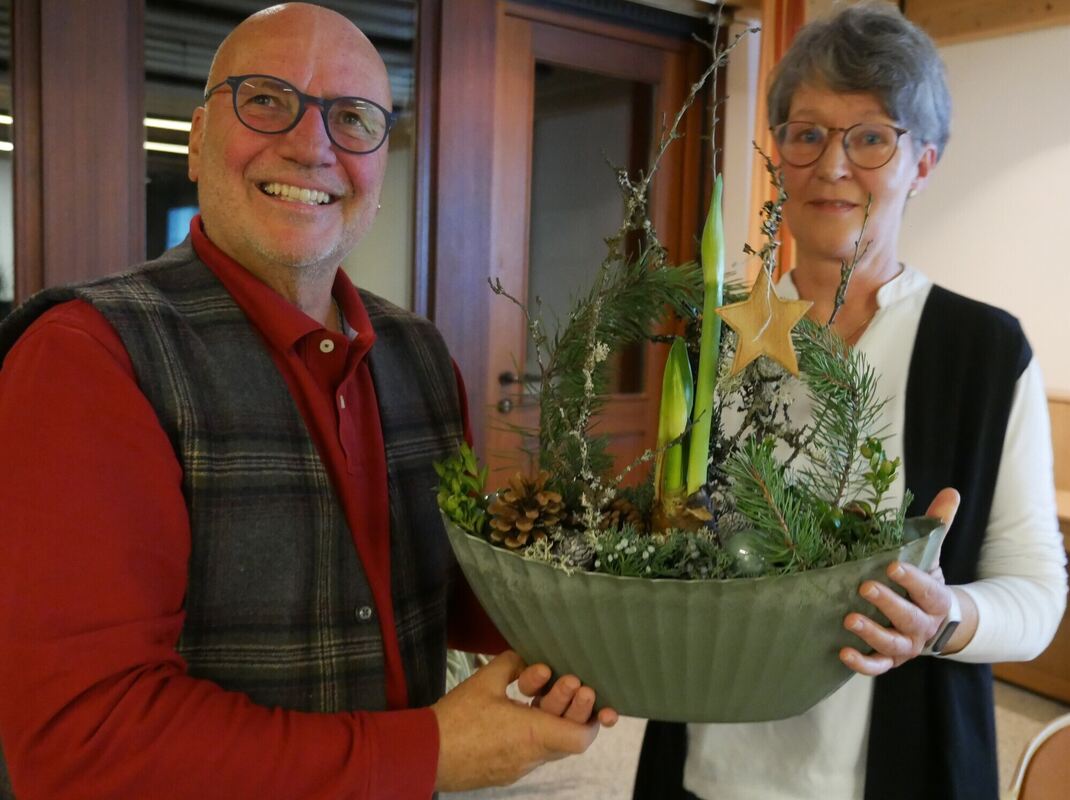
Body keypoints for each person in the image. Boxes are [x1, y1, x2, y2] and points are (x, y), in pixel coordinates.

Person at [0, 4, 617, 798]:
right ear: (196, 138)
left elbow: (458, 594)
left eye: (353, 118)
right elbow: (84, 746)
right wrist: (427, 752)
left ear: (381, 166)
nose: (312, 145)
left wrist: (649, 609)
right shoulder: (88, 356)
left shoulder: (420, 356)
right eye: (265, 99)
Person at [633, 4, 1067, 799]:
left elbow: (1036, 593)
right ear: (779, 155)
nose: (832, 164)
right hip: (709, 763)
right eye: (807, 133)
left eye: (870, 137)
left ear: (923, 163)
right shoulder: (717, 337)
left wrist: (941, 618)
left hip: (905, 764)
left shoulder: (982, 352)